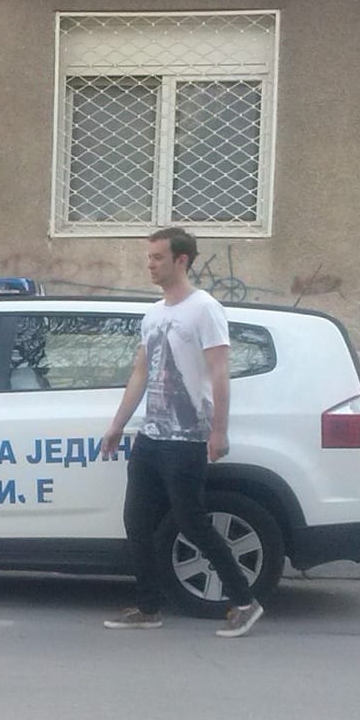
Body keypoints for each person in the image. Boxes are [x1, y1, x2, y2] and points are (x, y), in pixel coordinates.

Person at [99, 228, 265, 638]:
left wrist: (218, 430)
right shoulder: (154, 313)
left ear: (182, 261)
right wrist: (119, 425)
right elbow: (142, 371)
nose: (150, 263)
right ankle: (148, 606)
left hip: (187, 437)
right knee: (136, 521)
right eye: (149, 256)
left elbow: (219, 371)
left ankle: (245, 601)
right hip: (151, 436)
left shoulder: (204, 309)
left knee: (191, 522)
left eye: (158, 257)